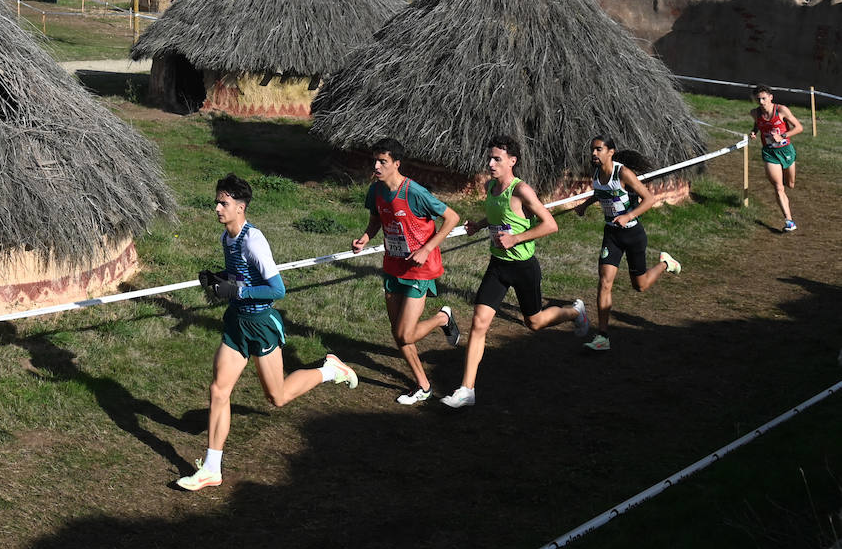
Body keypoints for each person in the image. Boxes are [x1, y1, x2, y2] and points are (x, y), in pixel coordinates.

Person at [177, 174, 359, 491]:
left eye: (224, 203)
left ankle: (329, 370)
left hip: (261, 325)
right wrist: (219, 280)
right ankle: (211, 468)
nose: (217, 208)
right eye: (217, 201)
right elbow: (239, 279)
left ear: (241, 207)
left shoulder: (253, 241)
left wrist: (237, 291)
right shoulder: (227, 238)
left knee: (278, 397)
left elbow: (277, 289)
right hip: (236, 323)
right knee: (219, 391)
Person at [441, 137, 589, 409]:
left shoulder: (522, 191)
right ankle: (467, 389)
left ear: (512, 161)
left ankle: (575, 312)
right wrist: (480, 225)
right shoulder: (490, 187)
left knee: (533, 323)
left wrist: (516, 239)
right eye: (490, 158)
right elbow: (499, 218)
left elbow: (550, 225)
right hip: (498, 265)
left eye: (497, 159)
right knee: (479, 322)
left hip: (523, 267)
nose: (490, 163)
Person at [350, 139, 462, 405]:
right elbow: (376, 218)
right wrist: (365, 237)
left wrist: (426, 249)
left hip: (419, 269)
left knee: (406, 334)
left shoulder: (414, 192)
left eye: (383, 162)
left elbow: (452, 218)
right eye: (375, 161)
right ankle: (423, 386)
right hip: (393, 266)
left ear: (396, 164)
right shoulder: (375, 189)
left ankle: (442, 319)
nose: (376, 166)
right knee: (397, 331)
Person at [572, 137, 682, 351]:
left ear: (610, 152)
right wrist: (585, 205)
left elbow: (649, 199)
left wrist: (628, 216)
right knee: (605, 282)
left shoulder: (623, 173)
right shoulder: (596, 173)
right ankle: (602, 336)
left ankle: (665, 263)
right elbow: (600, 193)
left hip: (633, 235)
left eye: (598, 149)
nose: (594, 153)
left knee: (640, 286)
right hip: (611, 235)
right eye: (592, 150)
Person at [748, 84, 803, 232]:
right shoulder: (755, 113)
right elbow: (757, 125)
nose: (761, 102)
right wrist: (753, 132)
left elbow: (799, 127)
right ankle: (789, 221)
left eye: (764, 99)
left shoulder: (781, 110)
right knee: (778, 187)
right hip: (769, 153)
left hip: (786, 150)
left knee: (790, 184)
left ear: (771, 97)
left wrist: (782, 136)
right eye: (758, 99)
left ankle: (784, 180)